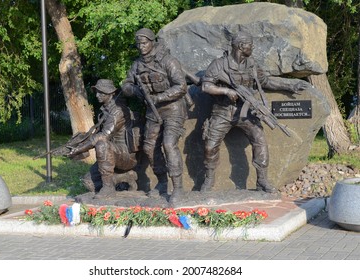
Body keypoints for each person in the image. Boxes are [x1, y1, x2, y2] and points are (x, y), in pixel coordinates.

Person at [201, 31, 308, 193]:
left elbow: (266, 81)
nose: (252, 47)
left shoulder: (252, 65)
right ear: (240, 46)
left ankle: (262, 180)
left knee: (260, 141)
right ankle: (209, 179)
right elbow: (206, 85)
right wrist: (226, 92)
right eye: (250, 44)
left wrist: (290, 86)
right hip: (222, 112)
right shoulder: (219, 64)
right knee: (210, 146)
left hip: (246, 113)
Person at [122, 28, 188, 203]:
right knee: (149, 147)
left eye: (144, 43)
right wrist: (136, 90)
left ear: (152, 42)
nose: (141, 47)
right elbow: (126, 85)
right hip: (153, 110)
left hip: (173, 108)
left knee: (168, 144)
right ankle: (162, 183)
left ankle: (178, 187)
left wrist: (159, 97)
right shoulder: (137, 65)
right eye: (138, 44)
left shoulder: (168, 61)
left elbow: (181, 86)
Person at [69, 79, 137, 198]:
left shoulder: (118, 111)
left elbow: (104, 136)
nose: (97, 95)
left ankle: (108, 188)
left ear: (111, 94)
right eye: (97, 92)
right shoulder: (105, 110)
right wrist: (78, 144)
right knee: (88, 182)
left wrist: (81, 149)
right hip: (111, 153)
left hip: (125, 155)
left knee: (101, 143)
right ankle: (122, 178)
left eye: (101, 93)